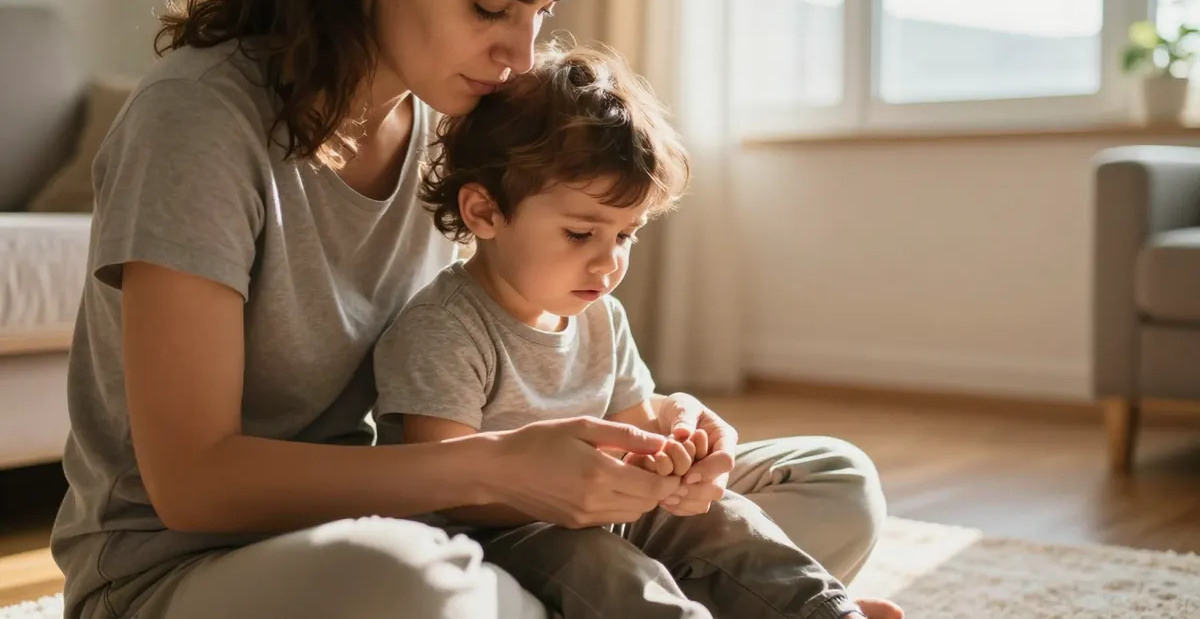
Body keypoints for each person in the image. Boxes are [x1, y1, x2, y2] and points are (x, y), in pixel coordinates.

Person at [48, 0, 895, 618]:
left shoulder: (450, 123)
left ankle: (620, 593)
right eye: (492, 7)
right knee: (409, 581)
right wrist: (497, 471)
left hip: (431, 508)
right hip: (195, 567)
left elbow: (502, 334)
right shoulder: (197, 123)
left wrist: (663, 444)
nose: (519, 57)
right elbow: (194, 486)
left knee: (831, 481)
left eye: (543, 12)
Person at [372, 43, 901, 619]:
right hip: (504, 540)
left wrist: (681, 451)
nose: (608, 264)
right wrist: (567, 496)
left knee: (728, 516)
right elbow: (444, 483)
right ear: (484, 213)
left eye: (625, 236)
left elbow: (637, 425)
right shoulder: (443, 330)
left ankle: (822, 610)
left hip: (609, 509)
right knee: (600, 564)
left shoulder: (600, 315)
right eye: (580, 234)